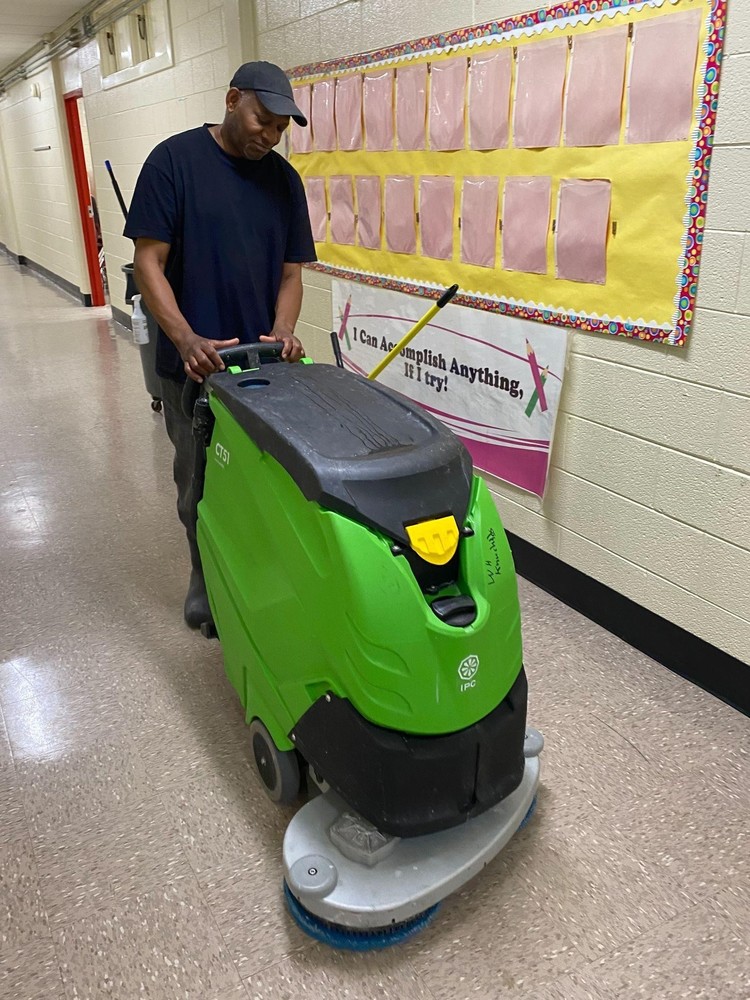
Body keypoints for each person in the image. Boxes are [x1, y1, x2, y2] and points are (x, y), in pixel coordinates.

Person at [124, 62, 316, 628]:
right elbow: (148, 263)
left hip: (261, 371)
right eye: (263, 119)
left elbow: (291, 273)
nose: (271, 135)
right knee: (199, 480)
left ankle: (257, 576)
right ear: (233, 100)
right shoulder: (173, 163)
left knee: (261, 480)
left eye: (281, 127)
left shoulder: (283, 182)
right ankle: (203, 574)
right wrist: (185, 339)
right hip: (192, 367)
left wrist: (283, 329)